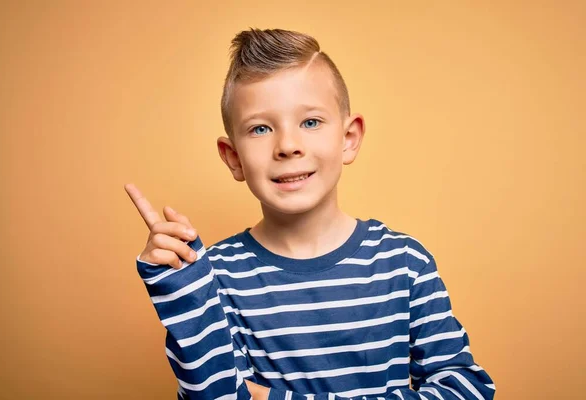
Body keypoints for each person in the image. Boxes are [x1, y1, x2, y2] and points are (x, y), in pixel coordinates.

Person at [125, 28, 495, 400]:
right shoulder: (214, 275)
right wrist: (183, 295)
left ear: (349, 139)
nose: (287, 146)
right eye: (260, 128)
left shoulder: (404, 263)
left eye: (311, 122)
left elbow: (468, 390)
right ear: (233, 157)